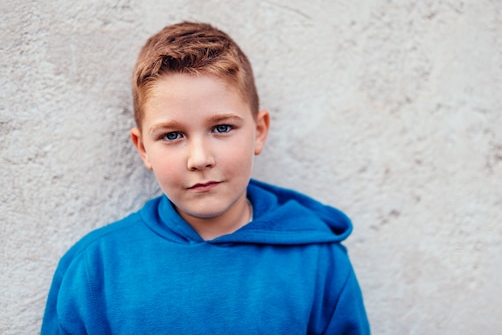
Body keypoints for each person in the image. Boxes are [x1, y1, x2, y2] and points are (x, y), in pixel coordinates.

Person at [41, 22, 370, 334]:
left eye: (222, 128)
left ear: (259, 131)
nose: (199, 159)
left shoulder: (318, 263)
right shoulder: (93, 270)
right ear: (143, 148)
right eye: (172, 135)